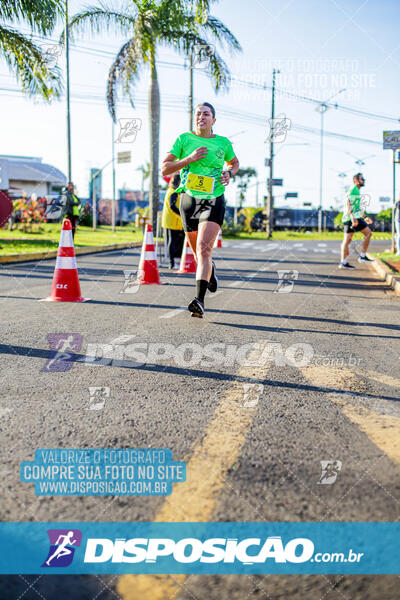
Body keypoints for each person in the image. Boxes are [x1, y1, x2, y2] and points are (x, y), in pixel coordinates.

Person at [162, 102, 239, 317]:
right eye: (198, 114)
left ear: (214, 120)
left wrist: (229, 173)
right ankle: (210, 270)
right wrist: (189, 158)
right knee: (198, 253)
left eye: (206, 114)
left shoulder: (223, 143)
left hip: (214, 199)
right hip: (189, 200)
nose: (201, 117)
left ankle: (199, 301)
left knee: (205, 248)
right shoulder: (184, 140)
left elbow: (234, 162)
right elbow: (165, 168)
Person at [339, 172, 374, 269]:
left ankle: (343, 262)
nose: (364, 180)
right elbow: (348, 203)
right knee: (368, 233)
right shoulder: (354, 189)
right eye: (361, 179)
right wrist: (353, 217)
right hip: (352, 218)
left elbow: (357, 208)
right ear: (356, 180)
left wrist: (365, 217)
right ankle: (362, 256)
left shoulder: (356, 191)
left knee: (347, 240)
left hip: (349, 217)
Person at [162, 174, 185, 269]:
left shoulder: (171, 190)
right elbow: (172, 206)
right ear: (178, 182)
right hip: (173, 220)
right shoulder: (174, 192)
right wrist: (181, 214)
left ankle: (173, 262)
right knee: (172, 241)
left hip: (171, 220)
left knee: (173, 241)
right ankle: (172, 263)